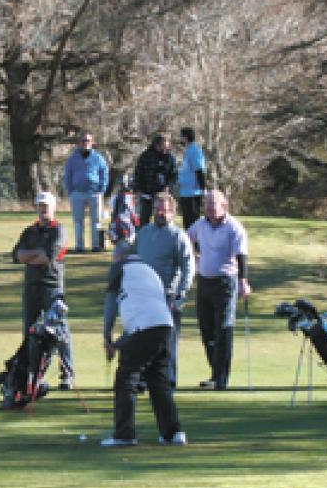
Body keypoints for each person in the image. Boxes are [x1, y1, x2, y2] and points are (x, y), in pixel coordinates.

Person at [100, 243, 186, 447]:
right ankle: (172, 433)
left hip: (146, 328)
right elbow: (141, 317)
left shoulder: (120, 269)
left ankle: (124, 434)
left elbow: (111, 302)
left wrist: (107, 335)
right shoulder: (150, 271)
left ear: (120, 256)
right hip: (165, 327)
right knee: (158, 380)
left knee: (126, 379)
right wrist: (118, 344)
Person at [9, 191, 74, 393]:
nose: (43, 209)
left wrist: (31, 256)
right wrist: (34, 255)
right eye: (40, 206)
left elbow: (48, 257)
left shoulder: (59, 230)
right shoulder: (29, 232)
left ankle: (67, 375)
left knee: (59, 331)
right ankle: (33, 376)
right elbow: (16, 255)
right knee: (30, 332)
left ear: (53, 208)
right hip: (31, 287)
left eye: (46, 206)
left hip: (52, 286)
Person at [187, 190, 251, 390]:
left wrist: (243, 281)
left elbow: (242, 256)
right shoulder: (200, 224)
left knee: (223, 328)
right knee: (206, 328)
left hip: (225, 282)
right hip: (204, 281)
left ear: (225, 206)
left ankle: (220, 378)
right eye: (207, 203)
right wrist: (194, 254)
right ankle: (215, 373)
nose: (209, 207)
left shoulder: (234, 227)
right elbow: (185, 239)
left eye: (214, 203)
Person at [134, 193, 194, 388]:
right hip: (144, 295)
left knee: (167, 340)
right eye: (157, 209)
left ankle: (168, 379)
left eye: (165, 210)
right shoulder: (143, 233)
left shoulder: (178, 236)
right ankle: (143, 378)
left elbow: (189, 267)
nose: (160, 213)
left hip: (167, 295)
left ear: (173, 212)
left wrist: (180, 295)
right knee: (143, 338)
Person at [63, 132, 109, 252]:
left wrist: (101, 189)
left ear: (92, 142)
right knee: (78, 221)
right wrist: (70, 191)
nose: (85, 143)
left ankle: (96, 245)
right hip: (77, 193)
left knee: (96, 221)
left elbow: (104, 173)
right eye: (83, 141)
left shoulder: (98, 158)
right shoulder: (72, 159)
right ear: (79, 143)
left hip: (94, 193)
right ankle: (79, 246)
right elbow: (67, 175)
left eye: (88, 141)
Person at [133, 134, 177, 226]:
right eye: (162, 147)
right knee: (144, 220)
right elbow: (138, 174)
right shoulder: (145, 156)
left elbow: (174, 175)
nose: (164, 150)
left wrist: (169, 187)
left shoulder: (170, 158)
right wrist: (138, 189)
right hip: (146, 194)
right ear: (156, 145)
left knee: (164, 220)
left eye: (166, 147)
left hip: (163, 195)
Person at [178, 127, 207, 229]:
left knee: (193, 223)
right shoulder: (188, 151)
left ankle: (196, 244)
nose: (179, 139)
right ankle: (189, 244)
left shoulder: (195, 151)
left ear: (185, 138)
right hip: (186, 192)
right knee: (187, 223)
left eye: (181, 136)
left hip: (193, 193)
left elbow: (199, 170)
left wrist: (203, 189)